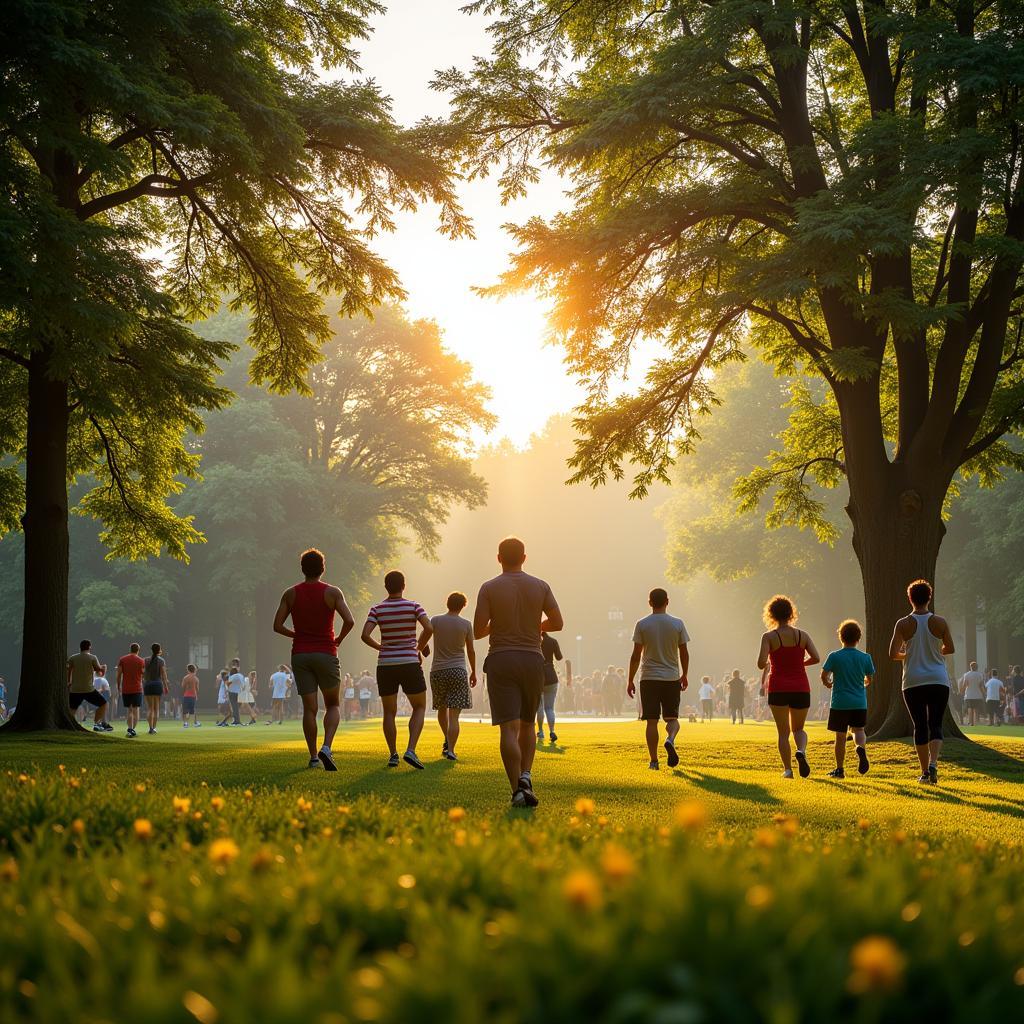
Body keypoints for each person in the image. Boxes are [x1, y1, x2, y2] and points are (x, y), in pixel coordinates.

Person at [475, 536, 563, 806]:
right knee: (528, 724)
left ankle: (517, 789)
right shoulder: (540, 586)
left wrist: (499, 625)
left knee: (507, 729)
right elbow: (557, 623)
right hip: (532, 660)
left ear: (499, 558)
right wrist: (536, 626)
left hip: (501, 658)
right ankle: (526, 774)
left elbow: (478, 630)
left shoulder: (489, 588)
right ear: (524, 558)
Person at [273, 547, 355, 770]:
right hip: (326, 653)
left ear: (302, 569)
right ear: (323, 568)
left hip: (300, 654)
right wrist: (338, 639)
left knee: (309, 709)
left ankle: (312, 757)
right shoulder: (333, 592)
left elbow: (277, 626)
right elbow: (350, 621)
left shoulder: (290, 593)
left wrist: (296, 634)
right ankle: (327, 747)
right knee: (332, 704)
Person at [361, 570, 432, 770]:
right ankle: (410, 749)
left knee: (389, 712)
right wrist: (417, 647)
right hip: (409, 662)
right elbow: (429, 628)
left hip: (385, 665)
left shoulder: (377, 609)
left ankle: (393, 754)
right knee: (419, 707)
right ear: (404, 585)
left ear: (386, 587)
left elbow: (365, 635)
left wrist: (381, 647)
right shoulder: (414, 606)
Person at [889, 579, 955, 784]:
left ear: (910, 598)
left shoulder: (903, 623)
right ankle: (934, 763)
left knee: (920, 725)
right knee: (935, 723)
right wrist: (936, 651)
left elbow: (892, 654)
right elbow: (950, 649)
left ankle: (925, 771)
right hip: (938, 679)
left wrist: (907, 654)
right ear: (929, 597)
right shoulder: (940, 622)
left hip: (913, 680)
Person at [757, 596, 820, 779]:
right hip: (801, 687)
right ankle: (801, 750)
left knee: (783, 733)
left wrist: (771, 660)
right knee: (798, 730)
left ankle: (788, 770)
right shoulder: (802, 635)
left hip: (778, 688)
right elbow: (816, 657)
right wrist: (800, 664)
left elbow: (761, 664)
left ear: (771, 614)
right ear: (791, 613)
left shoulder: (769, 636)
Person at [627, 588, 690, 770]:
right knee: (672, 719)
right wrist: (684, 674)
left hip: (648, 678)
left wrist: (630, 679)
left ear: (650, 603)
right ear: (667, 601)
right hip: (671, 678)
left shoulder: (642, 624)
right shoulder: (677, 624)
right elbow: (684, 653)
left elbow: (636, 655)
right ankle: (670, 739)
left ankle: (654, 761)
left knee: (651, 721)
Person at [820, 620, 873, 778]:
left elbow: (824, 675)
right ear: (858, 638)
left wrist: (828, 683)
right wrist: (863, 683)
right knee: (859, 730)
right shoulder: (865, 657)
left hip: (840, 702)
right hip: (859, 702)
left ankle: (839, 769)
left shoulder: (835, 656)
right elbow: (869, 678)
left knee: (840, 736)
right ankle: (860, 748)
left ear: (841, 637)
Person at [429, 591, 477, 761]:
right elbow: (470, 650)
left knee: (441, 709)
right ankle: (451, 749)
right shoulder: (465, 624)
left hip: (438, 670)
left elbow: (424, 637)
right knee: (454, 715)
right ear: (463, 606)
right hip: (458, 669)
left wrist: (419, 651)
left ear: (447, 602)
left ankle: (446, 739)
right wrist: (473, 671)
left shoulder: (435, 621)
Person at [67, 640, 106, 728]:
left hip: (75, 689)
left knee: (72, 709)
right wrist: (103, 668)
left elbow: (69, 671)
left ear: (80, 647)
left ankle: (69, 726)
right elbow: (98, 669)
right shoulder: (92, 657)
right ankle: (96, 723)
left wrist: (69, 682)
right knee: (103, 703)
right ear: (89, 647)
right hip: (88, 689)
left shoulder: (73, 658)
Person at [536, 633, 564, 742]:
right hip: (551, 676)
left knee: (540, 707)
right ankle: (552, 731)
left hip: (538, 676)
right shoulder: (553, 641)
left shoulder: (535, 641)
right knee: (550, 708)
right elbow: (559, 657)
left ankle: (541, 731)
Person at [116, 643, 145, 737]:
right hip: (137, 688)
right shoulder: (141, 661)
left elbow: (119, 675)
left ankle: (130, 729)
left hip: (126, 688)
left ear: (130, 649)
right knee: (136, 710)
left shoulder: (122, 659)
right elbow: (143, 674)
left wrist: (118, 686)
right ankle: (132, 729)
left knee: (129, 710)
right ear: (138, 650)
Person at [143, 643, 170, 735]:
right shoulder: (161, 661)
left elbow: (143, 673)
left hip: (147, 684)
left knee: (150, 709)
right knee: (156, 709)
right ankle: (154, 728)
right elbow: (164, 675)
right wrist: (166, 686)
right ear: (159, 650)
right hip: (157, 684)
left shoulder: (145, 660)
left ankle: (150, 727)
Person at [959, 662, 985, 726]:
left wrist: (961, 691)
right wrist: (984, 693)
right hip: (978, 695)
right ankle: (976, 722)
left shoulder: (966, 674)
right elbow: (981, 685)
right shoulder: (980, 675)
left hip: (969, 695)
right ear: (977, 667)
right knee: (976, 709)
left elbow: (965, 684)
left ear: (970, 667)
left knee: (970, 708)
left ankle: (971, 722)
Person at [92, 664, 113, 732]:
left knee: (99, 711)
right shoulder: (102, 680)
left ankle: (103, 723)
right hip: (102, 697)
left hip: (95, 697)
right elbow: (107, 691)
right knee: (103, 711)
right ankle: (99, 724)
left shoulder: (93, 679)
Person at [226, 662, 245, 727]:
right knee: (236, 708)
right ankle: (236, 720)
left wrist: (227, 687)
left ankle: (237, 721)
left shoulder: (233, 676)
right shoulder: (241, 675)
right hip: (239, 692)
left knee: (234, 707)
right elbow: (243, 685)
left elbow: (228, 683)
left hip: (232, 692)